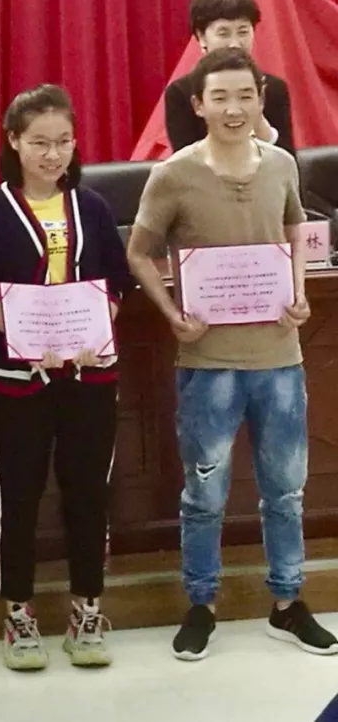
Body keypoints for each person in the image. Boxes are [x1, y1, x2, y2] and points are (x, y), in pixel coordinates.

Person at [127, 47, 337, 661]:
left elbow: (294, 230)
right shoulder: (172, 174)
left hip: (280, 358)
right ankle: (201, 605)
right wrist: (172, 314)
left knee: (286, 491)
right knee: (205, 494)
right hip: (208, 363)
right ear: (198, 105)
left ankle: (287, 602)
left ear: (261, 100)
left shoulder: (282, 165)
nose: (234, 108)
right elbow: (139, 251)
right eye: (219, 97)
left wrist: (298, 291)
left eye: (245, 95)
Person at [0, 85, 133, 671]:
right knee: (19, 495)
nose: (52, 154)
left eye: (63, 142)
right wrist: (27, 337)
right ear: (13, 142)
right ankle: (19, 613)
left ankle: (87, 608)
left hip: (89, 375)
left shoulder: (93, 207)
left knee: (89, 492)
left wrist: (92, 332)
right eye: (39, 143)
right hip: (16, 377)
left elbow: (117, 284)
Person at [165, 0, 294, 157]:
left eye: (243, 32)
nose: (235, 43)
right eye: (223, 33)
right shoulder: (181, 92)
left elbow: (288, 161)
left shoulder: (274, 88)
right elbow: (184, 162)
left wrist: (257, 115)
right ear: (201, 37)